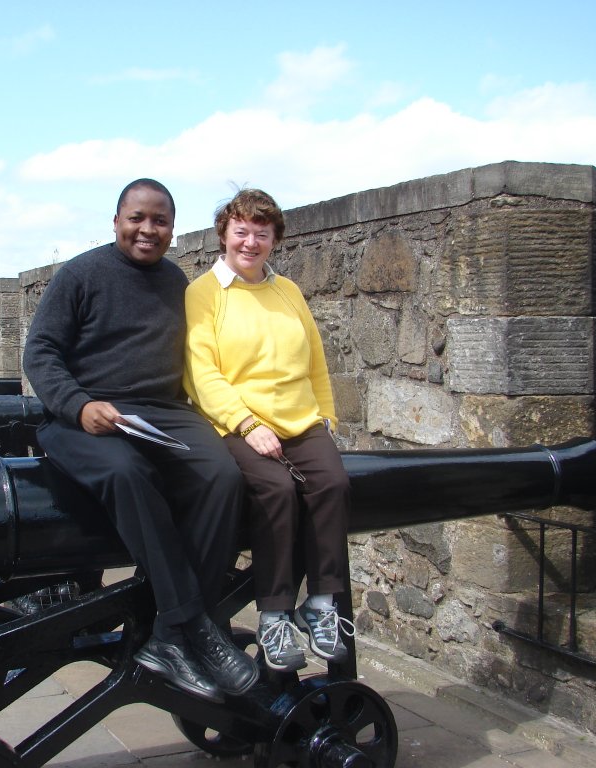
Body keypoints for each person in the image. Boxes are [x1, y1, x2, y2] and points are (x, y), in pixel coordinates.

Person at [23, 178, 259, 702]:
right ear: (117, 221)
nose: (148, 230)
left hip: (161, 412)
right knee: (125, 472)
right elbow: (39, 351)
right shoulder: (81, 274)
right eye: (137, 218)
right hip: (83, 414)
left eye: (160, 221)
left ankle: (171, 637)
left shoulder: (178, 282)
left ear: (173, 230)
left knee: (221, 476)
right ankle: (193, 625)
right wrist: (80, 406)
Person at [184, 188, 355, 673]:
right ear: (224, 235)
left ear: (274, 239)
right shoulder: (204, 294)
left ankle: (321, 603)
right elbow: (202, 372)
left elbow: (314, 357)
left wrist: (326, 414)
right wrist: (245, 423)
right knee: (276, 491)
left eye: (262, 233)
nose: (251, 242)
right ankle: (275, 613)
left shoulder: (288, 291)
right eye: (241, 231)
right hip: (237, 422)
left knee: (333, 485)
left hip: (300, 419)